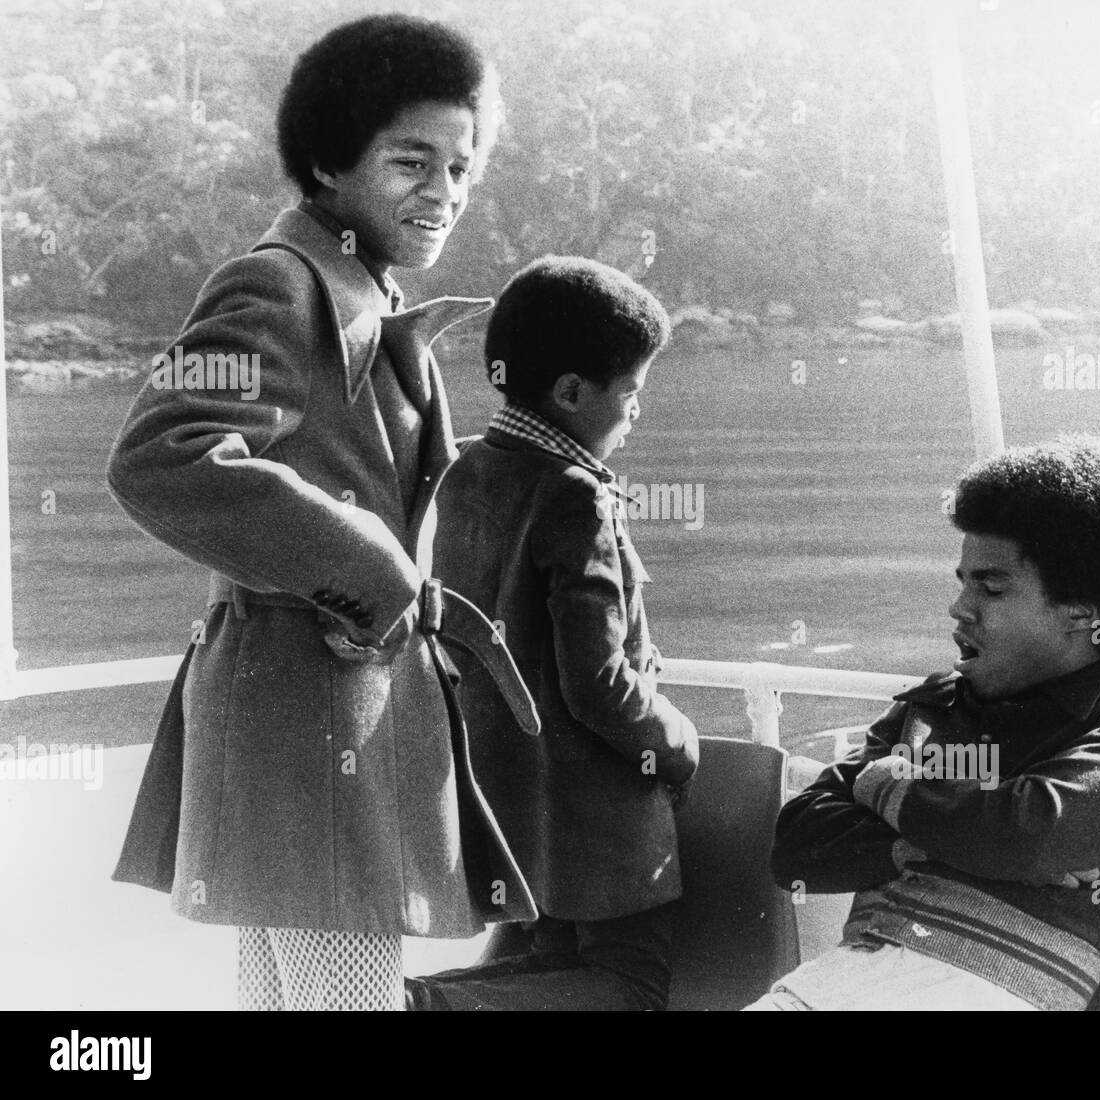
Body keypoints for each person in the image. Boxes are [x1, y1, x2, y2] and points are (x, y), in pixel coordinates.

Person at [107, 14, 539, 1011]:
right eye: (411, 161)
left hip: (300, 726)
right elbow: (159, 454)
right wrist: (372, 565)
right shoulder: (280, 285)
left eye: (461, 167)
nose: (444, 192)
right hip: (314, 729)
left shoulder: (367, 302)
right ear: (330, 161)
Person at [748, 436, 1100, 1010]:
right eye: (962, 581)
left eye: (991, 588)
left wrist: (887, 783)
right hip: (834, 985)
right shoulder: (933, 706)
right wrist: (951, 844)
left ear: (1080, 617)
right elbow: (798, 844)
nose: (959, 607)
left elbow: (1034, 830)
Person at [406, 256, 700, 1011]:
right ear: (571, 392)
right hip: (595, 813)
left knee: (551, 964)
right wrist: (675, 743)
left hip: (506, 795)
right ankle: (414, 1005)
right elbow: (597, 683)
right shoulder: (576, 495)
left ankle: (398, 998)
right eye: (631, 394)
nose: (638, 414)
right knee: (630, 984)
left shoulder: (468, 468)